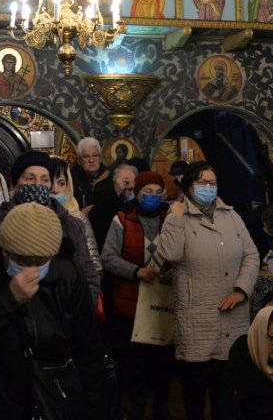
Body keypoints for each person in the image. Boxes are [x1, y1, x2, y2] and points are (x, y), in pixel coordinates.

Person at [0, 202, 110, 418]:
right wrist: (8, 301)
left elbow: (88, 346)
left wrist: (95, 406)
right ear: (3, 248)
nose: (32, 269)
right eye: (21, 259)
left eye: (40, 260)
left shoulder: (67, 272)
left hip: (54, 399)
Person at [157, 162, 259, 420]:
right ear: (189, 187)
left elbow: (252, 255)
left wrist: (241, 290)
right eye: (202, 183)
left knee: (226, 395)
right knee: (194, 397)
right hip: (197, 318)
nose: (208, 187)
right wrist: (176, 217)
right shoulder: (178, 217)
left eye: (212, 183)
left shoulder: (232, 216)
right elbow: (169, 253)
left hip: (232, 316)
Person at [101, 170, 174, 420]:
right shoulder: (122, 219)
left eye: (157, 192)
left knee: (163, 362)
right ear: (138, 193)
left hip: (164, 302)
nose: (152, 197)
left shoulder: (171, 219)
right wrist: (136, 271)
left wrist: (173, 271)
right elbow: (108, 258)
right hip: (131, 304)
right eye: (147, 192)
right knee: (135, 365)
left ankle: (162, 408)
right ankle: (138, 408)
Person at [0, 153, 102, 299]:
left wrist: (80, 313)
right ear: (16, 183)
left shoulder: (70, 224)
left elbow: (88, 277)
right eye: (30, 178)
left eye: (44, 179)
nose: (37, 184)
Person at [89, 161, 137, 249]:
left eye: (130, 189)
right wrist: (116, 192)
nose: (127, 193)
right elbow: (96, 219)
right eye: (124, 189)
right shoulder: (104, 196)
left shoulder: (139, 199)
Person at [72, 136, 108, 211]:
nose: (91, 160)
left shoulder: (109, 179)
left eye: (95, 155)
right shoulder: (71, 180)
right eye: (86, 156)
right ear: (79, 160)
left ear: (100, 158)